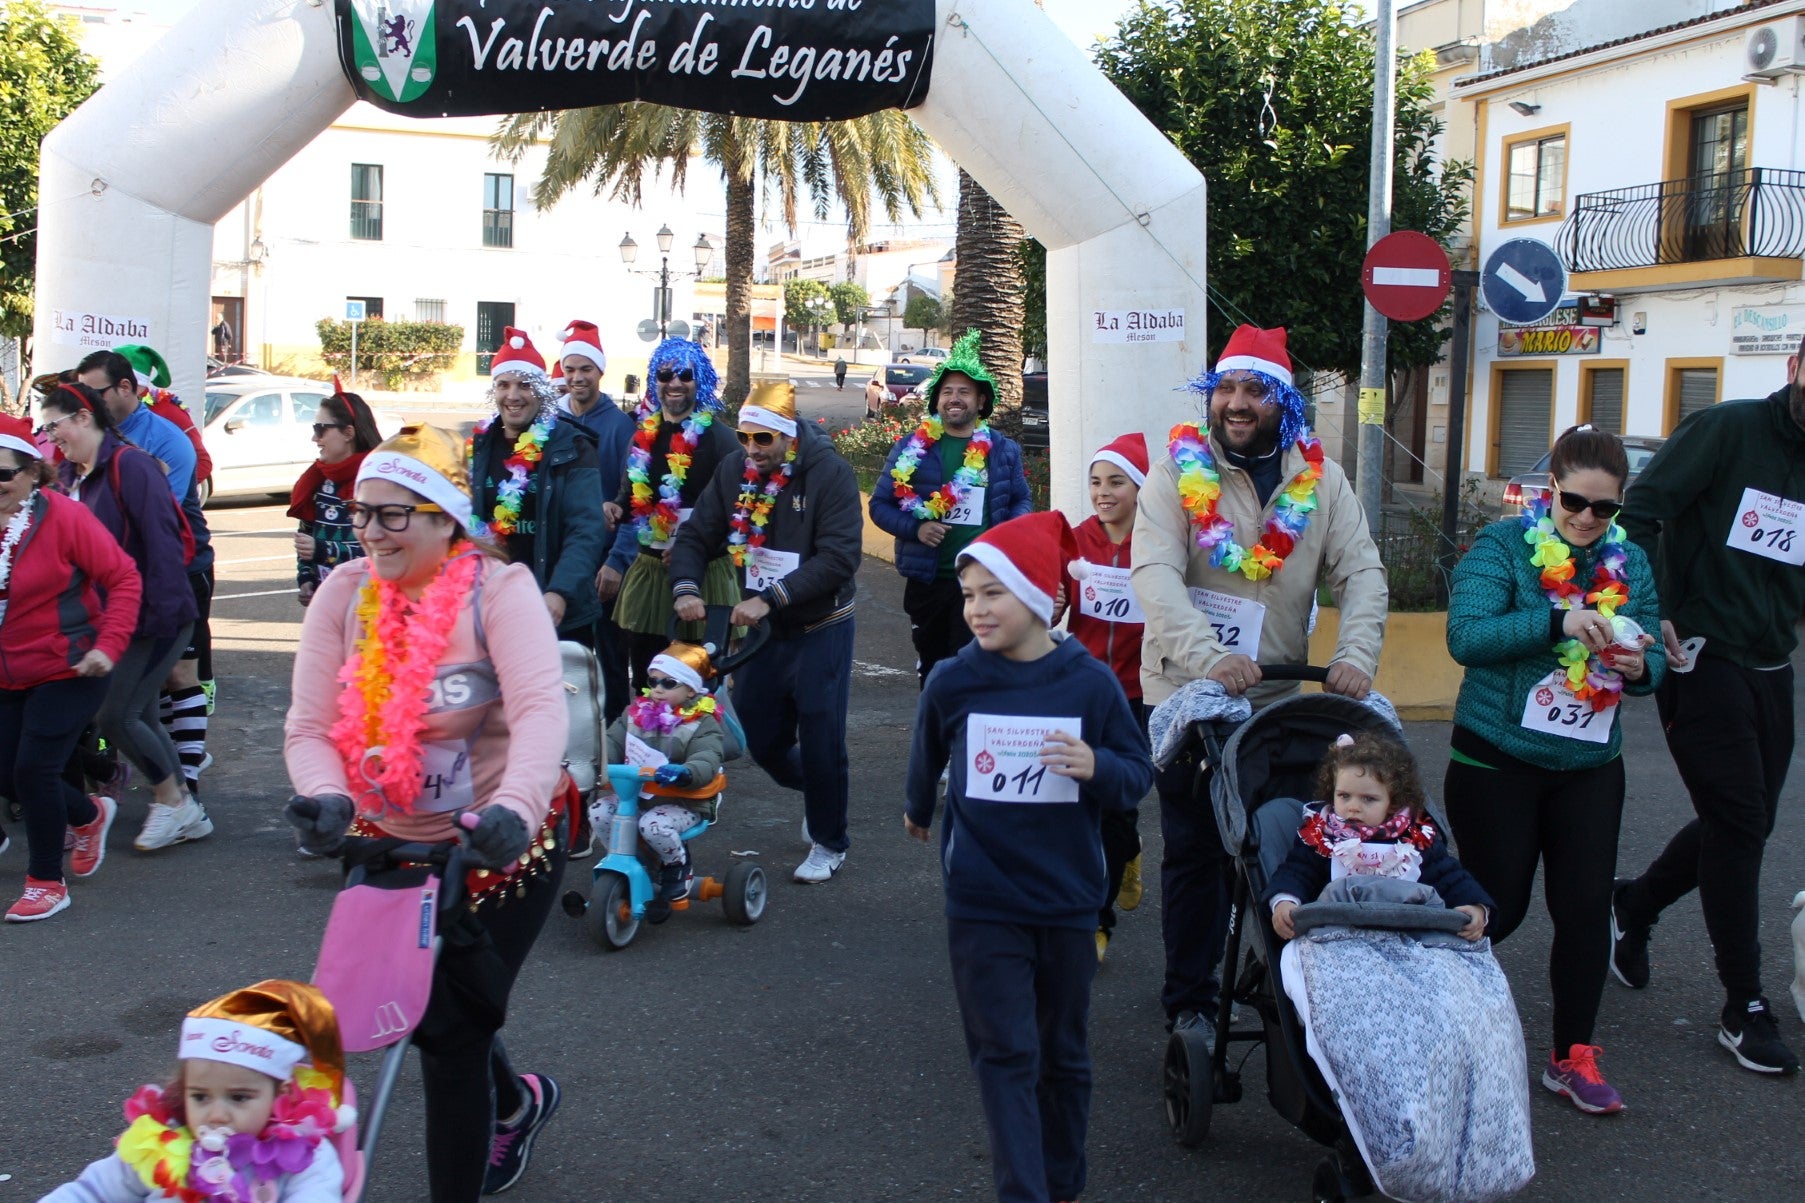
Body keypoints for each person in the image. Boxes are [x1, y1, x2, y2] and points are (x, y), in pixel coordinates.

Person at [284, 423, 571, 1200]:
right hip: (393, 841)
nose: (369, 531)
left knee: (447, 1033)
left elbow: (544, 709)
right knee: (421, 1002)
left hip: (506, 844)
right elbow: (310, 727)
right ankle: (515, 1100)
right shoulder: (345, 596)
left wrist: (514, 805)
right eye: (362, 513)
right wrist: (326, 797)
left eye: (392, 514)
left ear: (445, 518)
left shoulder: (498, 592)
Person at [1133, 324, 1388, 1036]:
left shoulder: (1323, 480)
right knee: (1194, 854)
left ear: (1282, 402)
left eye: (1253, 390)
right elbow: (1153, 573)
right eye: (1226, 388)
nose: (1236, 403)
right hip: (1188, 694)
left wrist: (1357, 654)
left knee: (1279, 846)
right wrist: (1208, 656)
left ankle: (1292, 987)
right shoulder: (1174, 471)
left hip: (1277, 700)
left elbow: (1361, 572)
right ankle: (1187, 998)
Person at [903, 510, 1153, 1203]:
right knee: (1004, 1054)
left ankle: (1063, 1182)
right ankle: (1024, 1191)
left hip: (1068, 900)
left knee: (1063, 1057)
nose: (975, 608)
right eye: (968, 594)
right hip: (981, 900)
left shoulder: (1090, 683)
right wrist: (917, 805)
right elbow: (927, 740)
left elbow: (1137, 774)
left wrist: (1096, 764)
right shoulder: (955, 679)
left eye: (993, 592)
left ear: (1039, 596)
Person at [1443, 423, 1664, 1111]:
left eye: (1604, 508)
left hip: (1590, 762)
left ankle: (1572, 1056)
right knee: (1494, 908)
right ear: (1550, 491)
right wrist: (1555, 622)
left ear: (1620, 504)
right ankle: (1437, 1026)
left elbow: (1653, 655)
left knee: (1581, 910)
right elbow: (1465, 636)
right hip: (1495, 758)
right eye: (1573, 501)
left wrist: (1637, 665)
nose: (1586, 519)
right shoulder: (1504, 547)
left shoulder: (1629, 562)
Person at [1609, 343, 1805, 1077]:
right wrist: (1652, 606)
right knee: (1742, 821)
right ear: (1795, 364)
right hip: (1698, 653)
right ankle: (1742, 1004)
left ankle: (1634, 904)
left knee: (1739, 817)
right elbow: (1642, 514)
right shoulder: (1725, 431)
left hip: (1771, 664)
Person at [671, 381, 864, 884]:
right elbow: (697, 534)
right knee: (765, 742)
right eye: (744, 438)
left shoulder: (829, 473)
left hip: (822, 625)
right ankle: (823, 793)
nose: (752, 450)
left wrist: (770, 597)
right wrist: (686, 587)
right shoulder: (736, 469)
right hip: (762, 632)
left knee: (822, 738)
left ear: (787, 436)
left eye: (763, 440)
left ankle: (829, 839)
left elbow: (840, 558)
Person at [39, 382, 205, 853]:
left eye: (56, 425)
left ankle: (173, 803)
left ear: (84, 418)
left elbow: (164, 543)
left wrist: (157, 617)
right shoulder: (74, 474)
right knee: (142, 715)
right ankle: (186, 808)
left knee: (117, 715)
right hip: (113, 619)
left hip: (154, 614)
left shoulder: (129, 466)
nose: (52, 436)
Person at [0, 416, 142, 922]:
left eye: (3, 474)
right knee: (9, 773)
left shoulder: (64, 517)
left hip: (72, 666)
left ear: (32, 473)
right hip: (7, 672)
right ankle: (89, 814)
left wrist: (110, 644)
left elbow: (123, 577)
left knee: (34, 770)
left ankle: (46, 882)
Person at [41, 979, 348, 1202]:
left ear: (280, 1096)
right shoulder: (163, 1141)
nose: (215, 1115)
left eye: (239, 1097)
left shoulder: (306, 1157)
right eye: (200, 1097)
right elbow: (91, 1191)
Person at [869, 328, 1033, 687]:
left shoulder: (1003, 451)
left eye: (964, 392)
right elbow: (880, 505)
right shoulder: (912, 448)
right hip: (928, 582)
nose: (954, 399)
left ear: (980, 402)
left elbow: (1021, 499)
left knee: (974, 669)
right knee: (933, 667)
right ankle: (937, 737)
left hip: (982, 581)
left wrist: (1005, 536)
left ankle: (966, 739)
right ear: (937, 401)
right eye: (947, 392)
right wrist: (917, 528)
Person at [97, 344, 219, 801]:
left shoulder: (167, 434)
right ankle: (169, 780)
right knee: (137, 694)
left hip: (181, 569)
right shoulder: (99, 433)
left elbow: (150, 520)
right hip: (127, 578)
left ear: (130, 387)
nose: (88, 401)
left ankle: (184, 781)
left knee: (178, 676)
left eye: (97, 391)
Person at [596, 338, 741, 689]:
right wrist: (615, 503)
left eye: (685, 375)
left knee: (699, 683)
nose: (674, 383)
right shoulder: (642, 436)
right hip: (650, 572)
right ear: (654, 380)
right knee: (648, 681)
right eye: (665, 374)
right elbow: (630, 492)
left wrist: (700, 546)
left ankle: (700, 744)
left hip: (705, 574)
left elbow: (741, 511)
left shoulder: (721, 440)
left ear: (700, 380)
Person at [1063, 433, 1152, 961]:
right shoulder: (1074, 540)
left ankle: (1117, 876)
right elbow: (1050, 608)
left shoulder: (1160, 544)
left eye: (1116, 482)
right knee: (1079, 807)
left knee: (1117, 809)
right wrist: (1054, 599)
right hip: (1084, 690)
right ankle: (1093, 916)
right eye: (1096, 482)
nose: (1103, 492)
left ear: (1140, 489)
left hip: (1140, 695)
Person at [1267, 733, 1491, 941]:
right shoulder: (1323, 837)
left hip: (1409, 939)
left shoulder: (1413, 839)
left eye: (1368, 799)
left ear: (1392, 802)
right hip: (1337, 939)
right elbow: (1298, 872)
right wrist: (1285, 900)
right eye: (1344, 796)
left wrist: (1474, 906)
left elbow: (1450, 877)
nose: (1353, 807)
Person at [467, 327, 608, 645]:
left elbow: (585, 529)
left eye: (524, 385)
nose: (513, 395)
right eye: (503, 385)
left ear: (541, 391)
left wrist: (559, 592)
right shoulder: (478, 445)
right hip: (491, 604)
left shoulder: (572, 446)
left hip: (556, 608)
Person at [592, 641, 727, 902]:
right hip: (636, 796)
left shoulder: (703, 723)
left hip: (683, 800)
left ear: (690, 690)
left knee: (653, 825)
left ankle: (676, 866)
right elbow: (613, 741)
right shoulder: (635, 713)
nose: (657, 689)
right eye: (653, 681)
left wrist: (686, 772)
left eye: (668, 683)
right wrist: (597, 759)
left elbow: (707, 756)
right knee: (599, 812)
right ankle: (631, 857)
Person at [556, 319, 634, 722]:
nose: (577, 377)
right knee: (565, 659)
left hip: (603, 569)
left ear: (600, 371)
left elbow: (635, 498)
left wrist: (616, 560)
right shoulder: (550, 420)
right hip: (561, 564)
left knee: (609, 661)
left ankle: (614, 747)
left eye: (585, 369)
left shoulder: (620, 427)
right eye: (570, 369)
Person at [289, 385, 381, 605]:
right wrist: (306, 577)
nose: (314, 438)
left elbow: (382, 549)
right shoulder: (319, 479)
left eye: (321, 429)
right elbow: (306, 536)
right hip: (328, 601)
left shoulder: (378, 481)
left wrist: (323, 550)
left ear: (348, 433)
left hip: (370, 601)